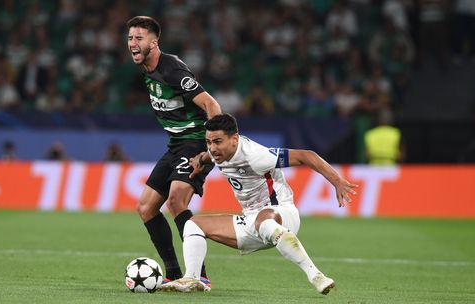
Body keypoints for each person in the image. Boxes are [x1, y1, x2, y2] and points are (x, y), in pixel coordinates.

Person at [162, 114, 358, 294]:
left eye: (217, 142)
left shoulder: (256, 156)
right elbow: (207, 156)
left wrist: (337, 181)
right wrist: (199, 160)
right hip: (250, 222)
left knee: (265, 221)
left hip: (282, 214)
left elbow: (307, 155)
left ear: (235, 139)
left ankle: (316, 276)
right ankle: (193, 279)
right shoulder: (217, 152)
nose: (212, 147)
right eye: (209, 142)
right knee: (192, 224)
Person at [126, 16, 221, 288]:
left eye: (139, 38)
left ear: (154, 42)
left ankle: (199, 276)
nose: (133, 43)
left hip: (195, 144)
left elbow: (212, 105)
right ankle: (174, 274)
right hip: (176, 144)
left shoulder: (172, 70)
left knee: (177, 201)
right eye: (130, 37)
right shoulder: (146, 67)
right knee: (145, 208)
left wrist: (211, 146)